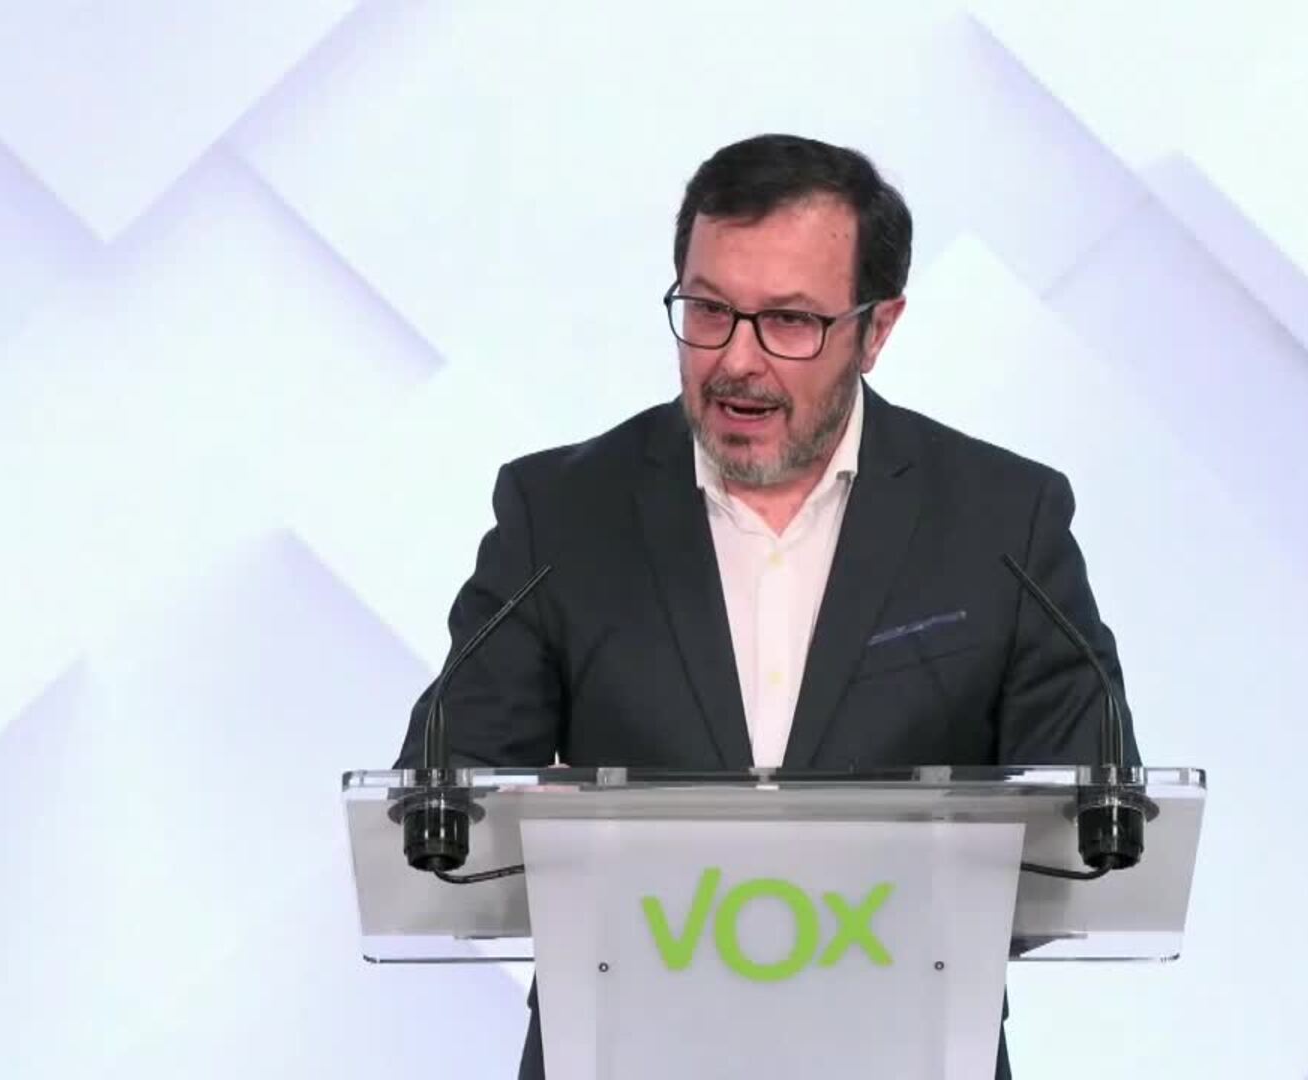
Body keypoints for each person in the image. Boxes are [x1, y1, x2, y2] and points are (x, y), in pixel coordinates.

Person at [395, 133, 1137, 1080]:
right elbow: (446, 795)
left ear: (878, 329)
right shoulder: (562, 512)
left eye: (789, 322)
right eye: (709, 310)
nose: (736, 360)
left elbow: (1088, 816)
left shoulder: (1002, 520)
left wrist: (869, 922)